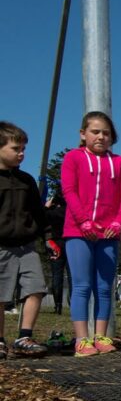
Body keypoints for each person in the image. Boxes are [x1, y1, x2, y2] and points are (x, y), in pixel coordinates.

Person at [61, 111, 121, 357]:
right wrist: (83, 222)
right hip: (78, 233)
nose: (101, 137)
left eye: (106, 133)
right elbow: (69, 191)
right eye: (95, 132)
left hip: (109, 235)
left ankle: (101, 336)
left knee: (104, 287)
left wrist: (119, 222)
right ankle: (82, 339)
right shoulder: (73, 158)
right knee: (82, 286)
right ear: (83, 134)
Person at [0, 121, 55, 359]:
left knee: (36, 289)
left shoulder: (27, 181)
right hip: (1, 247)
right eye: (15, 148)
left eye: (23, 149)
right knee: (1, 295)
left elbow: (39, 214)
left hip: (27, 246)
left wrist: (49, 239)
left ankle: (24, 337)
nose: (21, 153)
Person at [44, 189, 72, 314]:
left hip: (56, 244)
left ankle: (58, 306)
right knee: (73, 277)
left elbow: (41, 219)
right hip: (71, 242)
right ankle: (74, 304)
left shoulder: (53, 213)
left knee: (57, 276)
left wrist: (47, 207)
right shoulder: (71, 212)